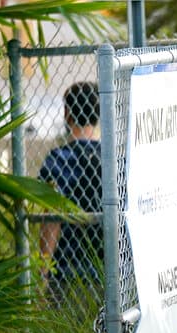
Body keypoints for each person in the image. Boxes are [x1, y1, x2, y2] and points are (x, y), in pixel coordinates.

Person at [38, 81, 103, 302]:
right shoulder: (113, 159)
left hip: (66, 270)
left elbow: (51, 220)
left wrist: (43, 270)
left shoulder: (58, 159)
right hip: (106, 269)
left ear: (67, 113)